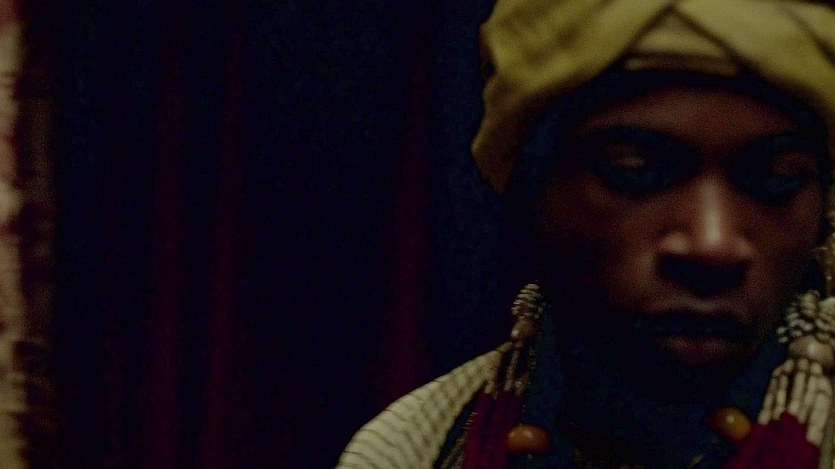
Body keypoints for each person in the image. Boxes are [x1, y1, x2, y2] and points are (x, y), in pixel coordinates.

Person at [337, 0, 835, 467]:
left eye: (779, 179)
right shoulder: (410, 448)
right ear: (530, 192)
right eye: (633, 171)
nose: (713, 243)